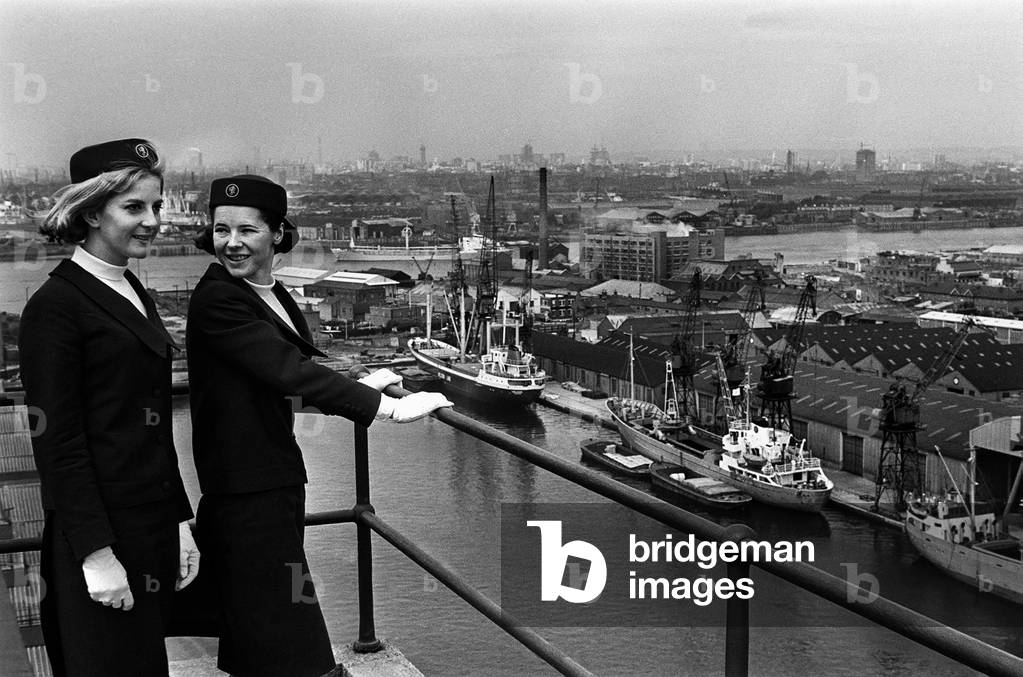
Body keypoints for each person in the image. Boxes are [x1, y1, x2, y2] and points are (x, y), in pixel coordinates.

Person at [186, 174, 452, 677]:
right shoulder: (217, 298)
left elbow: (282, 376)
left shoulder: (269, 294)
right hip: (244, 484)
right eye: (222, 230)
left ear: (277, 234)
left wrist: (361, 384)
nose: (232, 243)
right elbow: (287, 370)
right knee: (289, 622)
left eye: (248, 230)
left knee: (259, 618)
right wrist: (385, 408)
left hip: (272, 475)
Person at [18, 138, 199, 676]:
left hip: (146, 531)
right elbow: (58, 442)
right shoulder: (56, 307)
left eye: (157, 206)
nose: (152, 221)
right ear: (92, 211)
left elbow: (152, 426)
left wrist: (180, 523)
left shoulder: (129, 290)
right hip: (99, 541)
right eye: (134, 207)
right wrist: (95, 556)